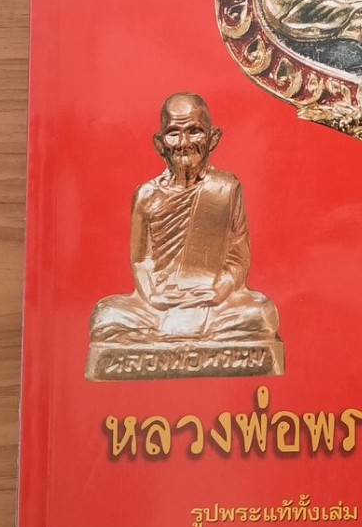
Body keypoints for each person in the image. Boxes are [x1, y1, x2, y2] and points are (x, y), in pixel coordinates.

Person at [89, 93, 279, 344]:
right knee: (105, 315)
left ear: (213, 138)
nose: (184, 143)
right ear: (159, 143)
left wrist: (219, 292)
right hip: (158, 305)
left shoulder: (225, 188)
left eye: (195, 131)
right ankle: (174, 330)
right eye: (173, 133)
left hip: (213, 303)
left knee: (261, 315)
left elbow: (238, 258)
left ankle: (174, 333)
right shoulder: (147, 195)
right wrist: (153, 297)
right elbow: (141, 260)